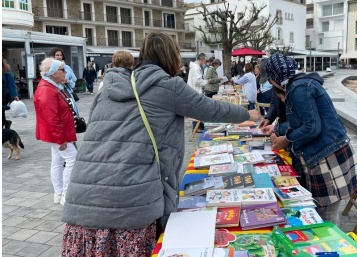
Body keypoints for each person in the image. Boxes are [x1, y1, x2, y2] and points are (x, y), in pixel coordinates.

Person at [60, 32, 260, 256]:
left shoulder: (108, 87)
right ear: (171, 56)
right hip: (130, 203)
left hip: (84, 198)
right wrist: (247, 113)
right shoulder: (167, 86)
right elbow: (210, 109)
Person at [265, 53, 357, 226]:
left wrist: (286, 139)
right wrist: (280, 130)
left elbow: (311, 128)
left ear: (275, 77)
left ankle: (332, 249)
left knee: (326, 214)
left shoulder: (298, 88)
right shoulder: (300, 84)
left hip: (327, 157)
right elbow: (302, 121)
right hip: (325, 154)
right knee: (323, 211)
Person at [33, 58, 77, 206]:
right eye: (61, 70)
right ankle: (65, 194)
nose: (65, 72)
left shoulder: (52, 86)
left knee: (58, 161)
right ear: (52, 73)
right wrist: (60, 139)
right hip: (58, 133)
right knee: (72, 159)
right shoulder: (47, 89)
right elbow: (51, 117)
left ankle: (59, 194)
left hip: (59, 132)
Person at [49, 48, 79, 116]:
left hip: (67, 92)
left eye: (60, 55)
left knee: (72, 111)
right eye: (57, 55)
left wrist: (68, 81)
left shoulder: (67, 67)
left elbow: (74, 80)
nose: (59, 57)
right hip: (56, 92)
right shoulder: (49, 68)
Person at [187, 52, 207, 132]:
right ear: (201, 59)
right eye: (205, 61)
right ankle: (196, 127)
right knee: (197, 110)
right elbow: (197, 81)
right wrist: (206, 82)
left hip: (193, 90)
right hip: (195, 91)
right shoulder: (196, 68)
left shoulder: (194, 67)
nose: (205, 63)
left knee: (197, 109)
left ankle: (199, 126)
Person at [2, 59, 19, 129]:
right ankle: (5, 122)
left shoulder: (5, 70)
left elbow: (11, 83)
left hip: (3, 95)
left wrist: (14, 95)